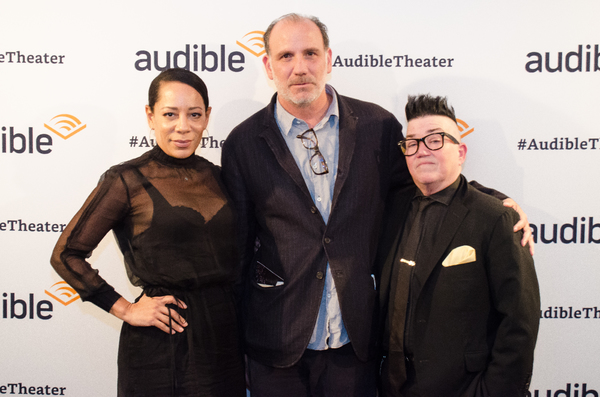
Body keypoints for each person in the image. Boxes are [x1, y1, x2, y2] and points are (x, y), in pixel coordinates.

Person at [221, 13, 532, 397]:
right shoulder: (243, 142)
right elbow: (235, 251)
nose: (299, 67)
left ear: (329, 58)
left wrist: (496, 200)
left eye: (311, 53)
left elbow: (420, 183)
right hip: (277, 344)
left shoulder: (376, 126)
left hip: (357, 343)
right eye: (286, 56)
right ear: (268, 65)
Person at [50, 68, 245, 397]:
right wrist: (124, 308)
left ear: (206, 117)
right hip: (159, 345)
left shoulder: (221, 177)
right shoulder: (126, 179)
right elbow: (66, 254)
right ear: (150, 116)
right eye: (170, 114)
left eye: (194, 114)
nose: (182, 126)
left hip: (223, 340)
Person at [377, 95, 540, 397]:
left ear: (461, 151)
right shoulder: (389, 209)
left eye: (435, 140)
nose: (422, 151)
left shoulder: (496, 218)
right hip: (392, 387)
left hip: (465, 389)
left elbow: (519, 321)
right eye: (412, 143)